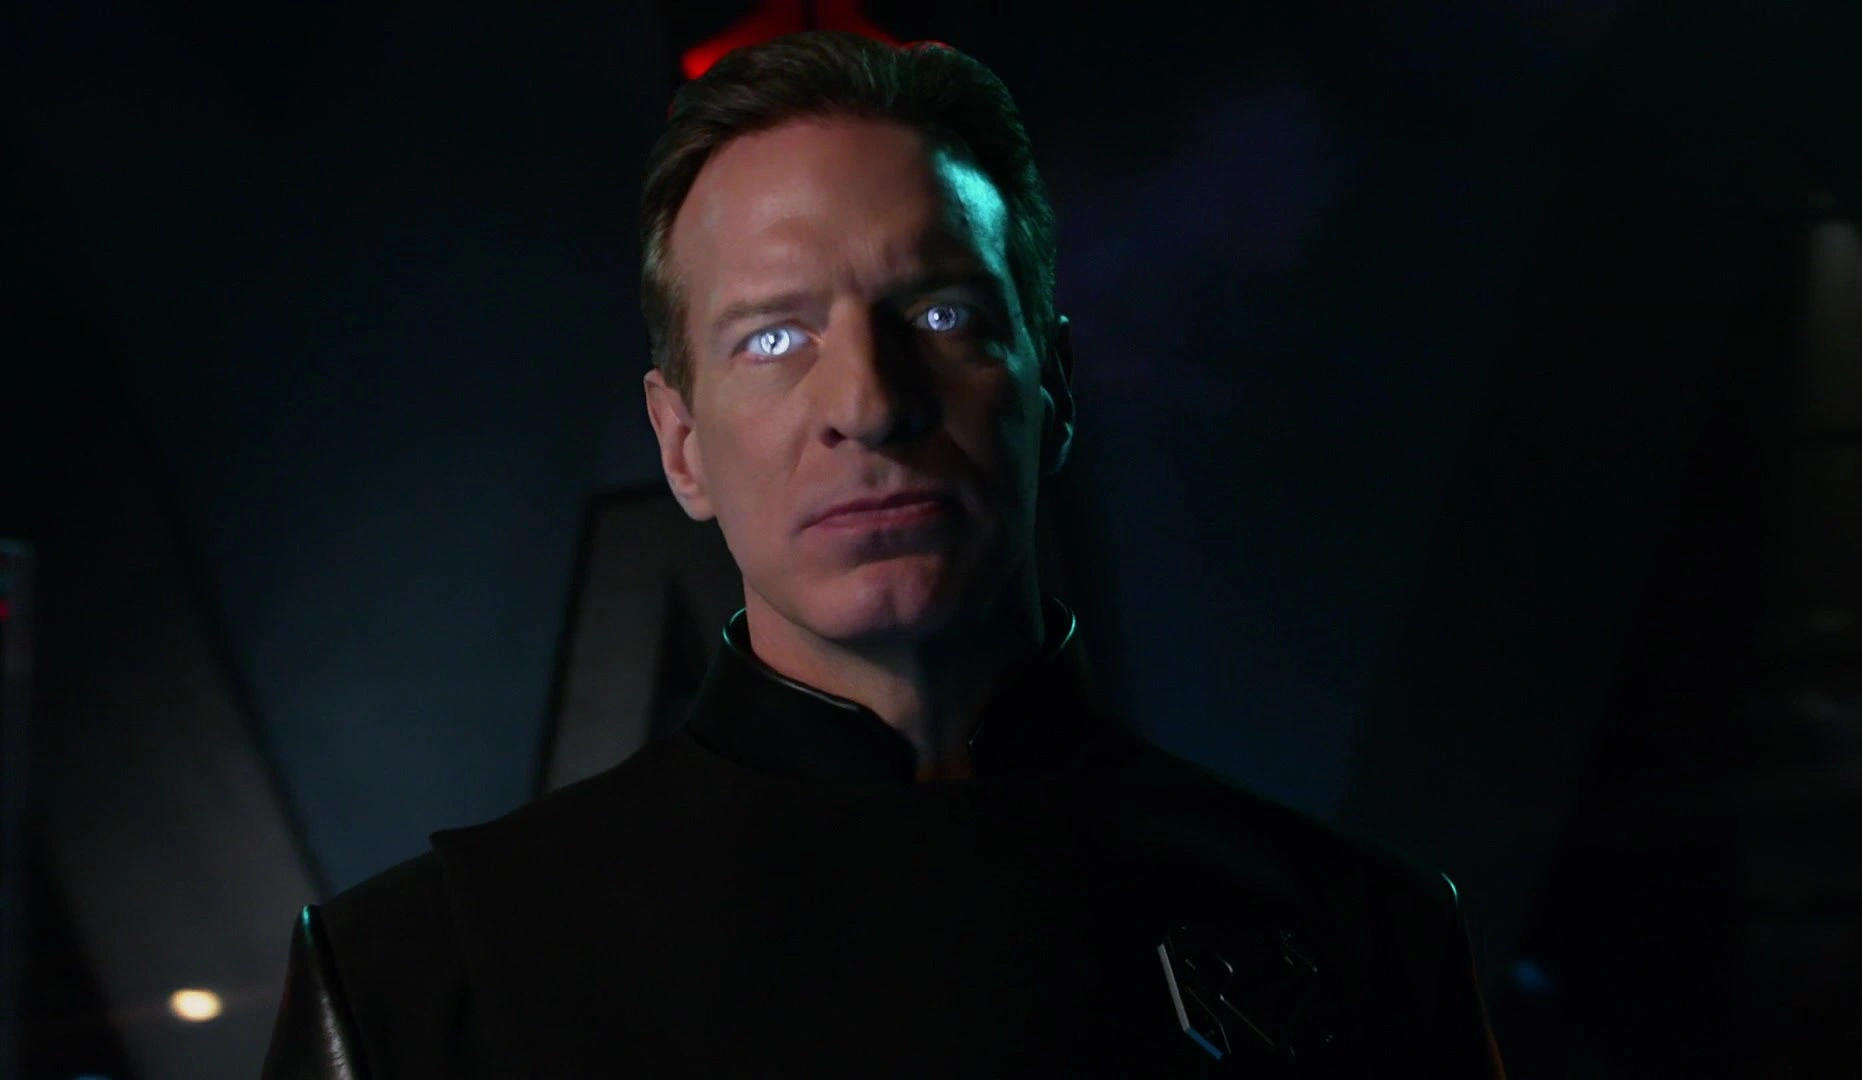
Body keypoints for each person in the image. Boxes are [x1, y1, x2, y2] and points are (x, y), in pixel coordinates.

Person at [261, 31, 1505, 1078]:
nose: (868, 401)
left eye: (941, 314)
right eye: (772, 337)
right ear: (681, 445)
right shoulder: (419, 985)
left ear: (1054, 386)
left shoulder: (1365, 942)